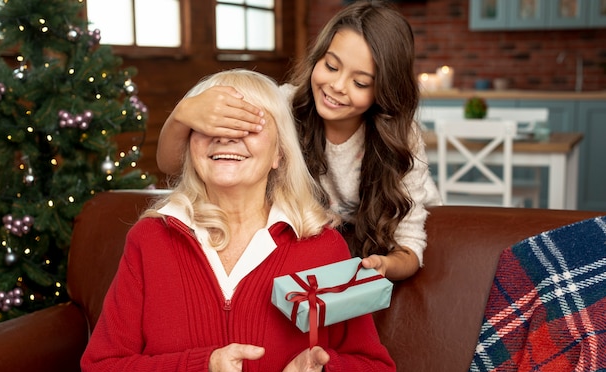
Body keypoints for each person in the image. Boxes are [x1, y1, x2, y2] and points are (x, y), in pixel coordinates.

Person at [80, 69, 396, 372]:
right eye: (210, 124)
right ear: (189, 146)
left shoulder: (324, 248)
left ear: (279, 154)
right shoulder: (150, 241)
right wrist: (206, 371)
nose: (226, 137)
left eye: (248, 124)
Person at [156, 1, 442, 283]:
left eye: (360, 83)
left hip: (387, 233)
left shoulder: (401, 138)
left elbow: (411, 247)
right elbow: (171, 164)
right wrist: (183, 114)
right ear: (317, 58)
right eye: (331, 66)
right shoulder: (284, 106)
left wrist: (385, 264)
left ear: (384, 91)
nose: (337, 86)